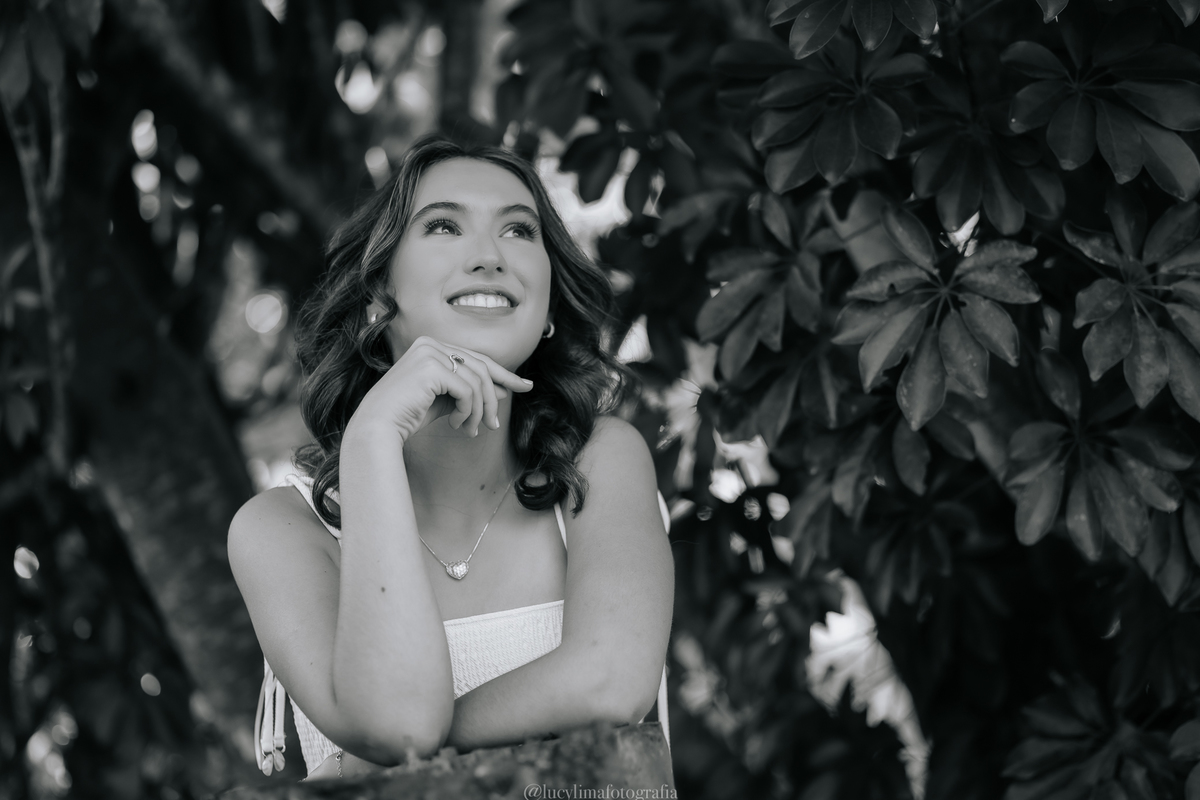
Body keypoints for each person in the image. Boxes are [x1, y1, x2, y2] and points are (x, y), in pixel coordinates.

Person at [227, 135, 675, 780]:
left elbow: (610, 682)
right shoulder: (280, 529)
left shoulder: (599, 463)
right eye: (443, 225)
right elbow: (401, 721)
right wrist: (373, 436)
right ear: (378, 295)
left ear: (548, 307)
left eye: (519, 231)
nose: (490, 256)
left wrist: (369, 765)